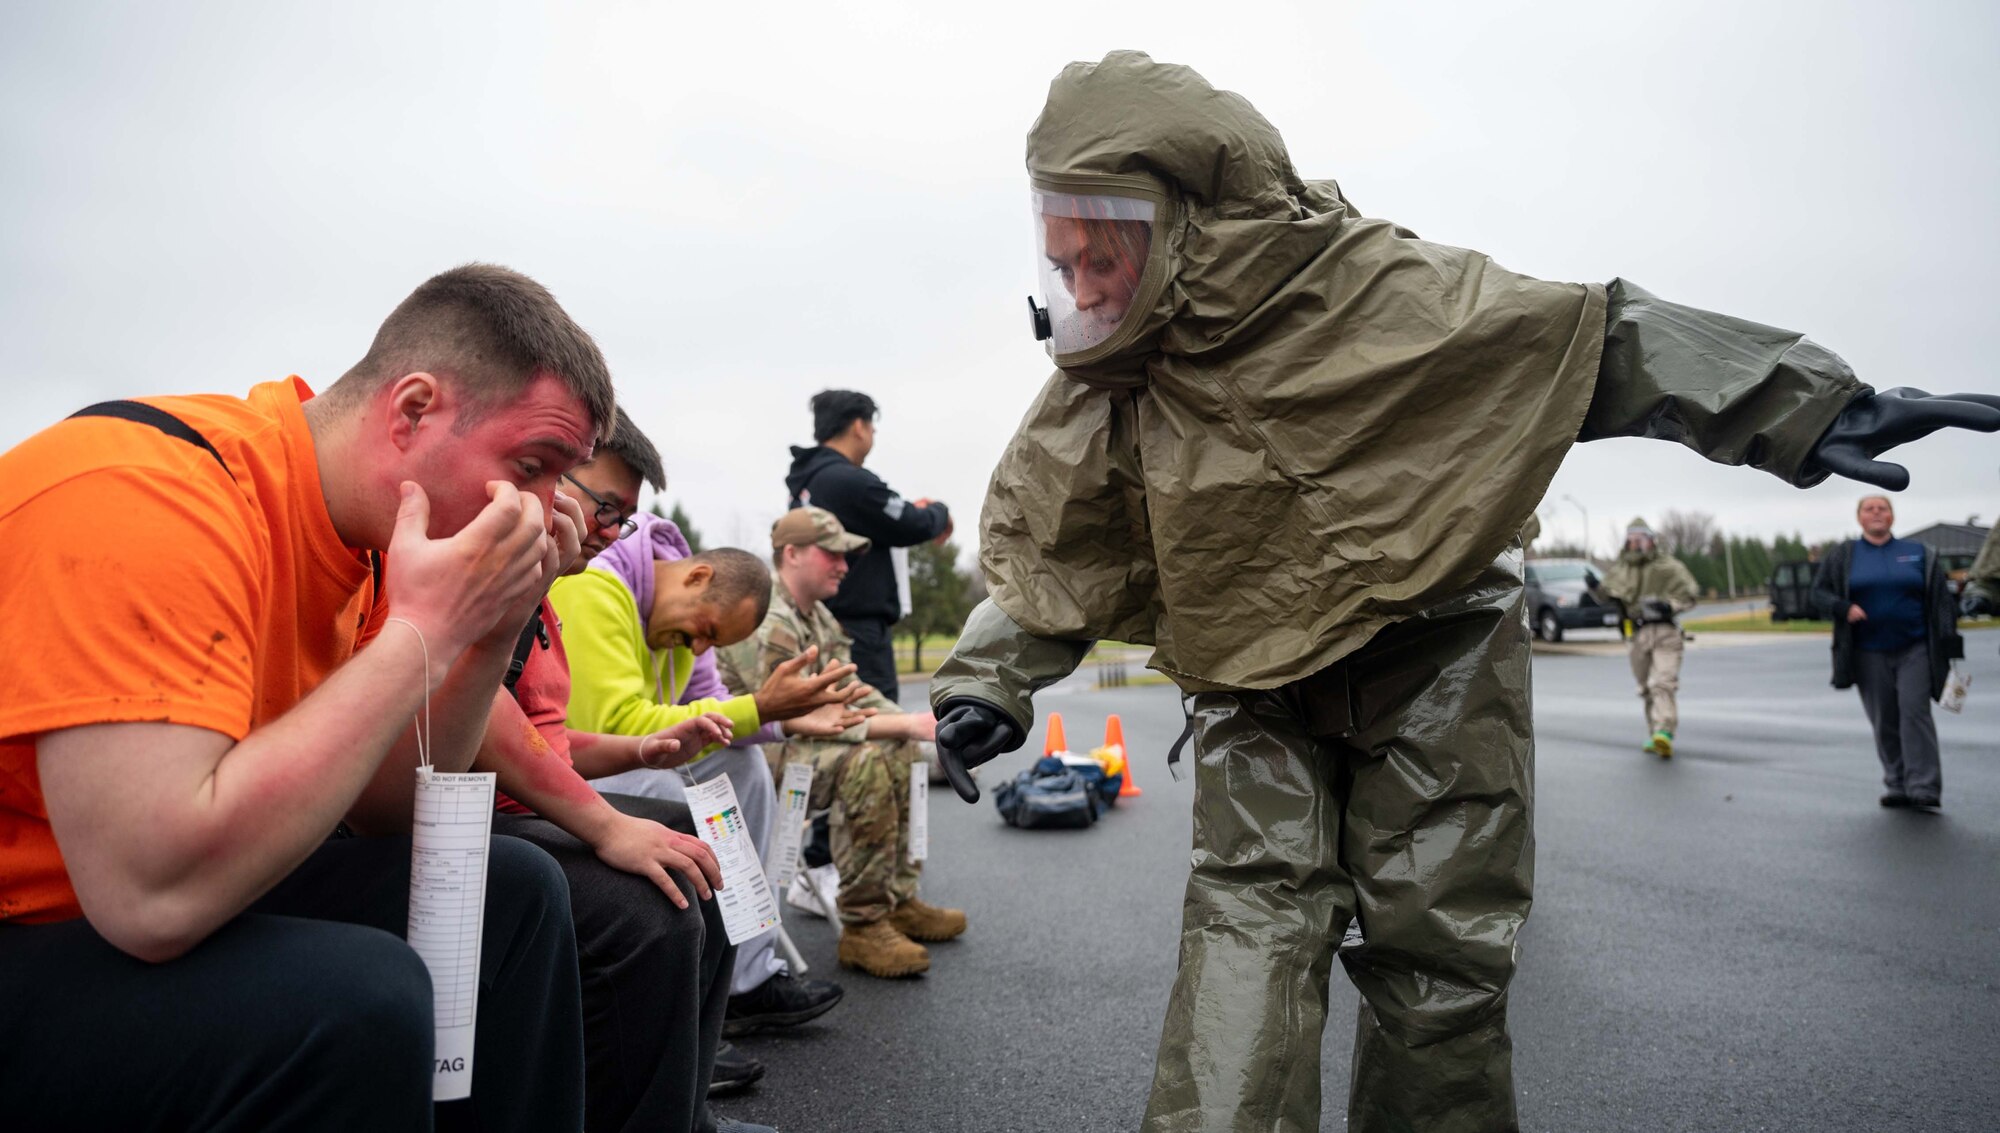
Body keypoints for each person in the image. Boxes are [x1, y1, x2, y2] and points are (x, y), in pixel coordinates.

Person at [928, 52, 2000, 1133]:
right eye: (1062, 265)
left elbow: (1591, 341)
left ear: (1181, 216)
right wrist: (987, 678)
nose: (1082, 289)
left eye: (1097, 254)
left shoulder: (1379, 294)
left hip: (1432, 655)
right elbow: (1055, 545)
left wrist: (1809, 405)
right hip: (1251, 676)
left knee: (1435, 964)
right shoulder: (1112, 377)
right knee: (1249, 933)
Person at [0, 264, 607, 1130]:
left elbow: (390, 808)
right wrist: (420, 636)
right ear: (412, 411)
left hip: (127, 911)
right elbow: (151, 895)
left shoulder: (359, 540)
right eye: (533, 466)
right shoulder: (148, 494)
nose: (547, 511)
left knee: (514, 892)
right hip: (58, 918)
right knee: (361, 1001)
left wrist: (495, 627)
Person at [476, 406, 789, 1133]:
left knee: (693, 848)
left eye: (620, 518)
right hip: (489, 811)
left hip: (530, 795)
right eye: (605, 506)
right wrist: (609, 821)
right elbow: (489, 725)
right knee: (657, 900)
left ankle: (687, 1106)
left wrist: (645, 749)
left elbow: (550, 737)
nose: (604, 528)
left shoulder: (554, 602)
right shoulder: (577, 591)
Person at [716, 507, 961, 979]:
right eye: (833, 554)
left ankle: (897, 899)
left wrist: (913, 723)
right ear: (791, 554)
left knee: (905, 750)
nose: (845, 566)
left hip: (799, 740)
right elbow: (798, 716)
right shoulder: (769, 617)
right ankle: (864, 925)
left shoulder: (819, 617)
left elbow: (850, 691)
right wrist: (904, 725)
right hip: (755, 751)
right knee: (868, 760)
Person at [785, 389, 952, 700]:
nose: (873, 432)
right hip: (859, 631)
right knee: (874, 715)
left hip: (821, 622)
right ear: (858, 426)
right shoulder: (849, 481)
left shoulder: (808, 482)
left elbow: (884, 516)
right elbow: (907, 523)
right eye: (872, 425)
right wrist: (939, 511)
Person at [1810, 496, 1964, 811]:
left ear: (1892, 517)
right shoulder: (1844, 555)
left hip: (1916, 648)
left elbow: (1942, 603)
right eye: (1870, 508)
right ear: (1860, 518)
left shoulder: (1919, 553)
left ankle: (1923, 787)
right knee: (1885, 719)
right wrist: (1843, 607)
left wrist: (1951, 649)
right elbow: (1818, 593)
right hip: (1868, 652)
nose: (1877, 512)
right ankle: (1897, 783)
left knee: (1914, 714)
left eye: (1884, 508)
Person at [1599, 517, 1700, 757]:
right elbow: (1609, 594)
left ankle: (1664, 732)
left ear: (1650, 540)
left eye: (1639, 539)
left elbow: (1689, 593)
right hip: (1636, 634)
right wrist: (1595, 589)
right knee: (1646, 687)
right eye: (1630, 539)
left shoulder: (1668, 567)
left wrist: (1670, 605)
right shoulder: (1621, 569)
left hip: (1665, 632)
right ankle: (1655, 732)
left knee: (1662, 683)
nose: (1635, 544)